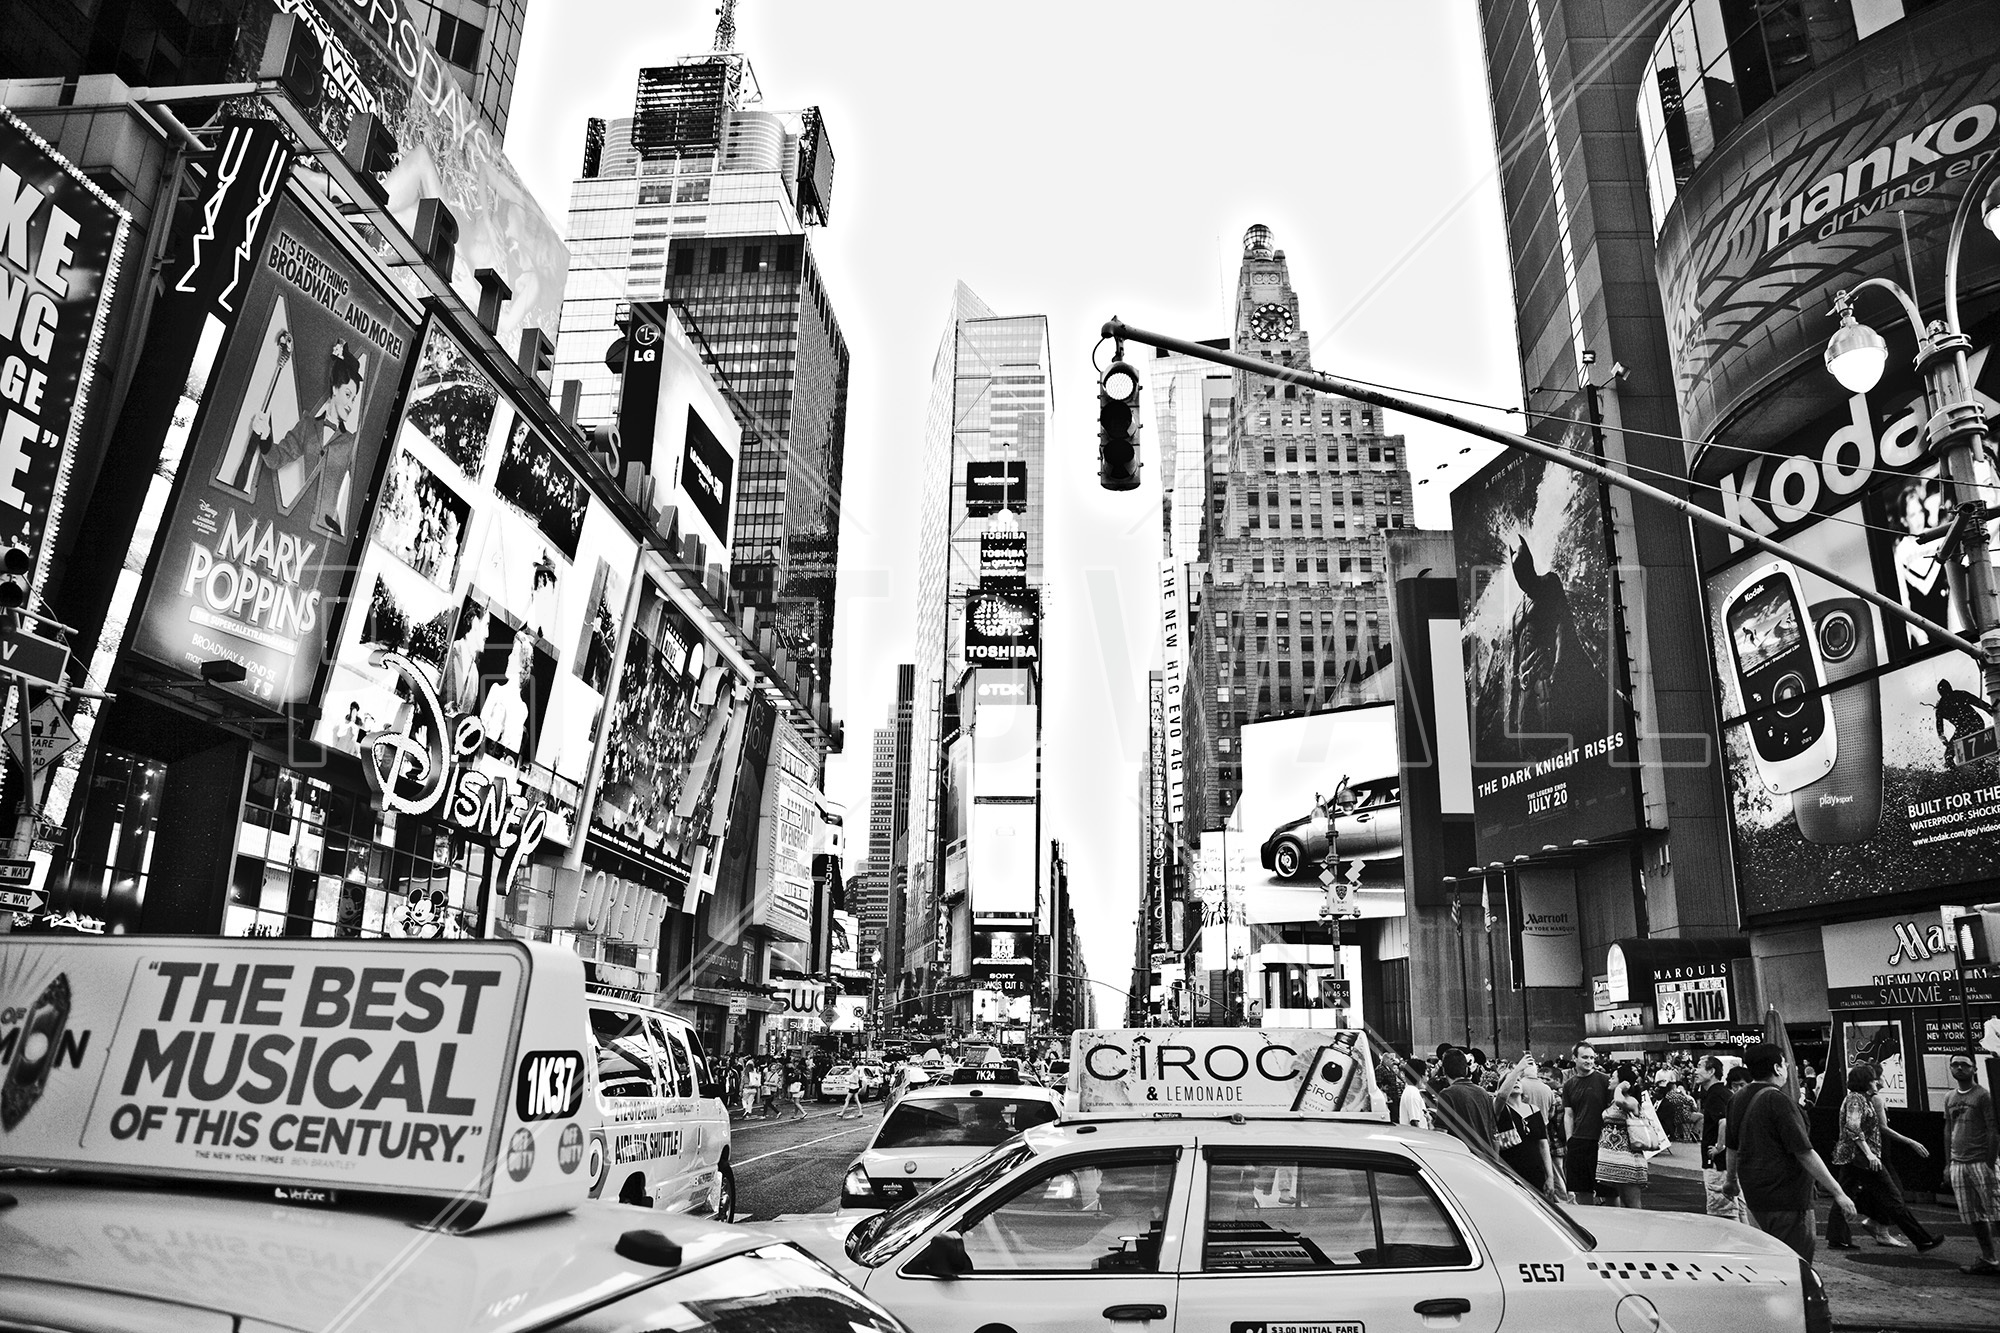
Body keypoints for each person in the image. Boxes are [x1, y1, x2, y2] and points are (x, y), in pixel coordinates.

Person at [1724, 1042, 1858, 1262]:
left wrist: (1731, 1180)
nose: (1788, 1068)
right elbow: (1804, 1152)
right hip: (1788, 1199)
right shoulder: (1778, 1100)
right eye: (1785, 1063)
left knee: (1767, 1261)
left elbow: (1732, 1146)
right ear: (1777, 1068)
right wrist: (1838, 1192)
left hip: (1755, 1196)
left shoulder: (1736, 1099)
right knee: (1796, 1263)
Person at [252, 339, 366, 538]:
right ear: (335, 389)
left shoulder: (352, 442)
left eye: (353, 399)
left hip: (329, 532)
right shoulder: (307, 426)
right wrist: (265, 436)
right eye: (348, 394)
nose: (350, 404)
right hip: (300, 525)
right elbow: (276, 459)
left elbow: (361, 488)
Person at [1826, 1062, 1942, 1252]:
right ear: (1866, 1082)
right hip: (1862, 1159)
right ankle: (1922, 1239)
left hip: (1854, 1158)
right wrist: (1870, 1154)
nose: (1877, 1083)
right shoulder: (1856, 1100)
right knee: (1893, 1197)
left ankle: (1837, 1238)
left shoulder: (1859, 1099)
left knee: (1845, 1194)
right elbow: (1853, 1128)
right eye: (1873, 1080)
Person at [1944, 1051, 2000, 1275]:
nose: (1959, 1068)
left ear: (1974, 1069)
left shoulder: (1983, 1096)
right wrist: (1949, 1163)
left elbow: (1993, 1130)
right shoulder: (1949, 1097)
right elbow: (1948, 1129)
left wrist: (1989, 1162)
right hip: (1959, 1163)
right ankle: (1989, 1258)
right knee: (1973, 1216)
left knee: (1997, 1212)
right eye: (1955, 1064)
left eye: (1964, 1065)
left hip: (1980, 1161)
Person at [1496, 1054, 1560, 1197]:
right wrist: (1517, 1070)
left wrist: (1550, 1176)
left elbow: (1543, 1144)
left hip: (1536, 1173)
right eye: (1511, 1080)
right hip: (1510, 1174)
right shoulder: (1500, 1109)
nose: (1516, 1082)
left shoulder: (1534, 1110)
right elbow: (1501, 1097)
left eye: (1519, 1080)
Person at [1561, 1043, 1614, 1205]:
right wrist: (1570, 1139)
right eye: (1585, 1057)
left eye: (1592, 1057)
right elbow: (1569, 1114)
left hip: (1602, 1142)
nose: (1589, 1061)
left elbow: (1613, 1110)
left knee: (1609, 1191)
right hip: (1579, 1142)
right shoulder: (1569, 1085)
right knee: (1582, 1189)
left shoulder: (1605, 1081)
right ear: (1574, 1058)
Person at [1696, 1056, 1744, 1223]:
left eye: (1699, 1066)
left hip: (1718, 1163)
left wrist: (1719, 1146)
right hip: (1727, 1161)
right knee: (1739, 1209)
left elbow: (1724, 1122)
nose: (1695, 1071)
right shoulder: (1722, 1093)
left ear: (1711, 1071)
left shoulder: (1715, 1094)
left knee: (1723, 1213)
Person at [1594, 1062, 1649, 1208]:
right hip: (1614, 1159)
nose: (1609, 1080)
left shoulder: (1631, 1101)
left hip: (1628, 1159)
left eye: (1613, 1078)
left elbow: (1620, 1101)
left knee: (1631, 1202)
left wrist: (1619, 1088)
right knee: (1623, 1200)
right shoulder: (1613, 1101)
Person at [1433, 1048, 1496, 1153]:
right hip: (1486, 1158)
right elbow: (1493, 1132)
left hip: (1464, 1157)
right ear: (1466, 1070)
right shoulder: (1483, 1092)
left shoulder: (1447, 1094)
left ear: (1444, 1070)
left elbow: (1441, 1134)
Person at [1935, 680, 1996, 759]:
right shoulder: (1958, 695)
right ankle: (1982, 762)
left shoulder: (1941, 707)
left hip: (1969, 727)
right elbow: (1979, 703)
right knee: (1948, 756)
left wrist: (1945, 741)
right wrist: (1991, 710)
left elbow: (1940, 731)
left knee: (1948, 756)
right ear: (1950, 687)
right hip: (1973, 725)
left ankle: (1982, 761)